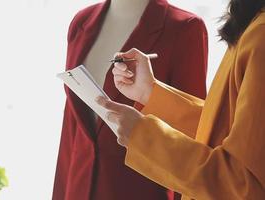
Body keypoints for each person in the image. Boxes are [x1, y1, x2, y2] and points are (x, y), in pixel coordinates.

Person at [96, 1, 265, 199]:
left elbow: (243, 186)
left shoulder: (260, 35)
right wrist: (151, 93)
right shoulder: (253, 26)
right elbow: (225, 131)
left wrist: (144, 137)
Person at [53, 0, 208, 199]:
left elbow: (194, 138)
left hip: (139, 190)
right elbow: (71, 126)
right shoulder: (82, 21)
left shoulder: (185, 27)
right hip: (78, 188)